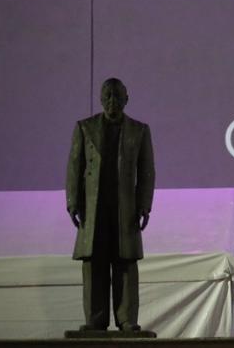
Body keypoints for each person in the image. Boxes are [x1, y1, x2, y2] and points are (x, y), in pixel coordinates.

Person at [65, 78, 155, 332]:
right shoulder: (85, 128)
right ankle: (95, 319)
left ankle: (127, 319)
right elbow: (74, 167)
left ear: (127, 98)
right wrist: (73, 202)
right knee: (95, 263)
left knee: (125, 262)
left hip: (124, 208)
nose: (112, 101)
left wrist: (144, 205)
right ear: (100, 99)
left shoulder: (139, 130)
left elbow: (146, 171)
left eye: (116, 96)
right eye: (107, 96)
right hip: (93, 208)